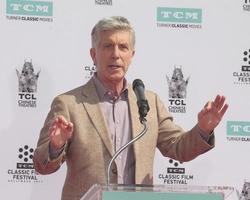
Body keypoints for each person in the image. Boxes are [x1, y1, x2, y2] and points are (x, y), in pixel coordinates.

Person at [33, 16, 228, 200]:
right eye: (108, 46)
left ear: (131, 55)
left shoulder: (149, 103)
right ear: (93, 54)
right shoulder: (68, 104)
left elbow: (179, 148)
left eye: (123, 47)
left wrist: (203, 129)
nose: (115, 54)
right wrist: (55, 146)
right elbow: (42, 166)